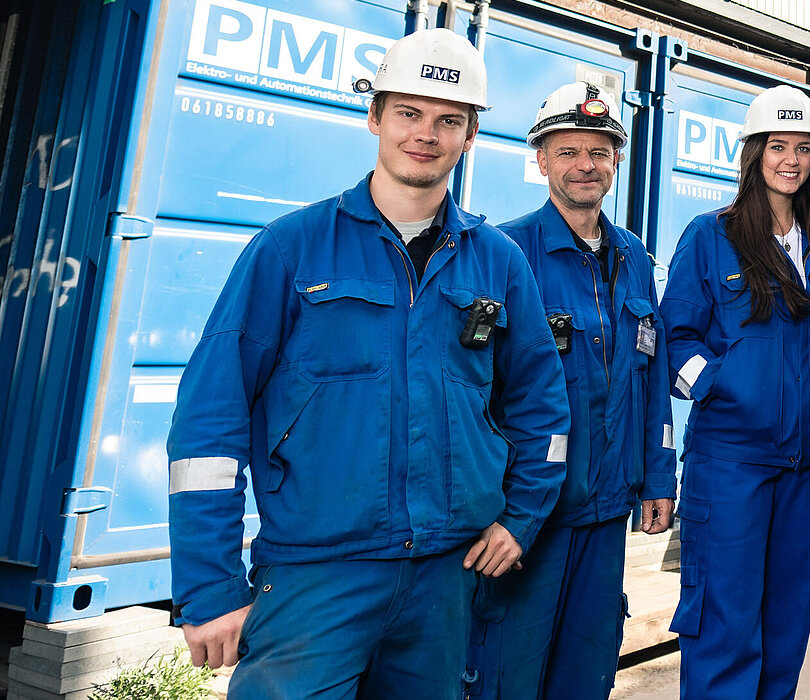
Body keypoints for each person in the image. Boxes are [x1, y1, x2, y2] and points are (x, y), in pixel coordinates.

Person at [165, 28, 570, 699]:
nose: (426, 134)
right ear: (375, 117)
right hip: (315, 576)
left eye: (449, 120)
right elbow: (209, 422)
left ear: (471, 135)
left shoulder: (498, 262)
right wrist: (210, 585)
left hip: (446, 578)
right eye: (409, 112)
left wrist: (521, 517)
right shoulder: (290, 249)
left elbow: (542, 409)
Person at [464, 81, 678, 699]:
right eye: (568, 152)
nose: (585, 165)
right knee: (509, 674)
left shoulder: (633, 256)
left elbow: (651, 376)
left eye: (599, 152)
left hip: (607, 512)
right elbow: (477, 392)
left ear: (616, 162)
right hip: (528, 518)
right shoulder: (506, 252)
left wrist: (658, 478)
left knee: (587, 674)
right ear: (541, 161)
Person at [661, 83, 810, 700]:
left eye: (802, 149)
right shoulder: (712, 236)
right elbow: (676, 339)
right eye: (777, 147)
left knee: (786, 628)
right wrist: (720, 385)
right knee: (725, 626)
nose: (790, 160)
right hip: (730, 465)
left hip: (805, 468)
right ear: (754, 153)